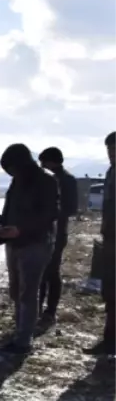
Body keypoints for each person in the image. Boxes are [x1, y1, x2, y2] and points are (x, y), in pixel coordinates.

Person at [0, 143, 58, 353]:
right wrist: (2, 226)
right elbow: (9, 207)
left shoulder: (46, 181)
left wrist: (21, 229)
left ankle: (23, 341)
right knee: (15, 291)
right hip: (13, 243)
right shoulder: (17, 181)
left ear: (22, 164)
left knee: (28, 293)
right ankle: (19, 332)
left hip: (36, 244)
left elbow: (48, 215)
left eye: (12, 169)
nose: (11, 173)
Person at [37, 147, 78, 325]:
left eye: (44, 162)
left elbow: (71, 208)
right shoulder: (45, 179)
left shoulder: (67, 180)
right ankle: (37, 309)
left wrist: (52, 213)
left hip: (57, 233)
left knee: (52, 272)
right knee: (40, 273)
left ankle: (50, 311)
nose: (42, 166)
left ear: (53, 162)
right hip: (42, 232)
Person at [90, 131, 116, 354]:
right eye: (109, 150)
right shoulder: (111, 172)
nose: (111, 154)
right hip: (110, 240)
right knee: (109, 290)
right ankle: (109, 339)